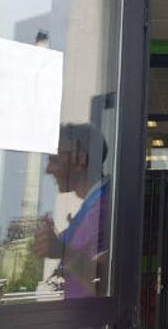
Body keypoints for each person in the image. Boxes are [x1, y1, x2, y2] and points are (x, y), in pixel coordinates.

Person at [34, 123, 110, 299]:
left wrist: (62, 250)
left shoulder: (105, 206)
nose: (47, 170)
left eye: (53, 159)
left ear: (80, 160)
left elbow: (104, 280)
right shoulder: (92, 205)